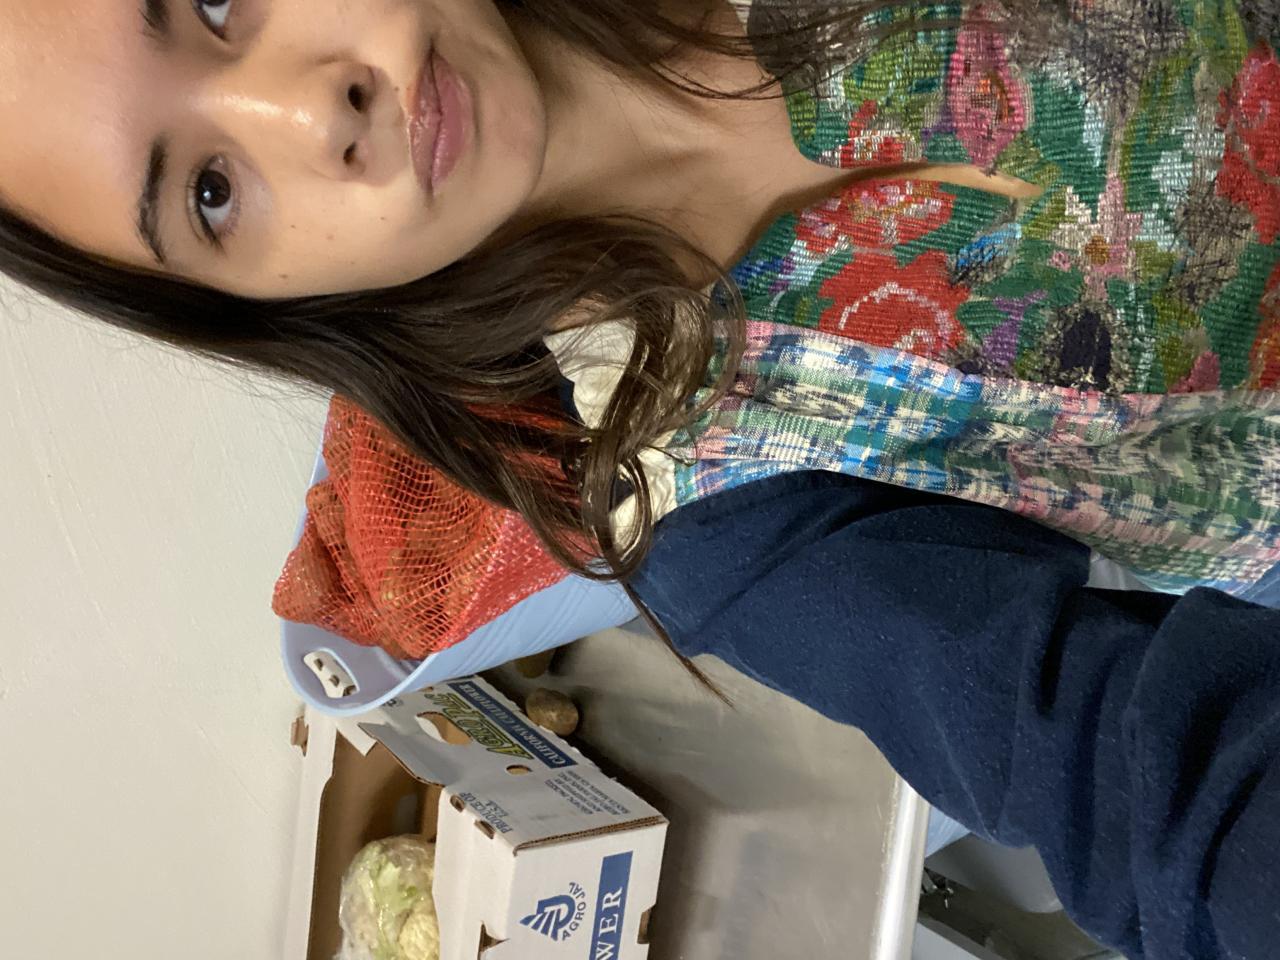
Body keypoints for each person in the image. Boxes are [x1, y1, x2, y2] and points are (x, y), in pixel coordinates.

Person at [1, 0, 1278, 955]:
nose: (313, 114)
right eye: (211, 193)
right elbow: (1141, 790)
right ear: (264, 305)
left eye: (214, 0)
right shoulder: (712, 494)